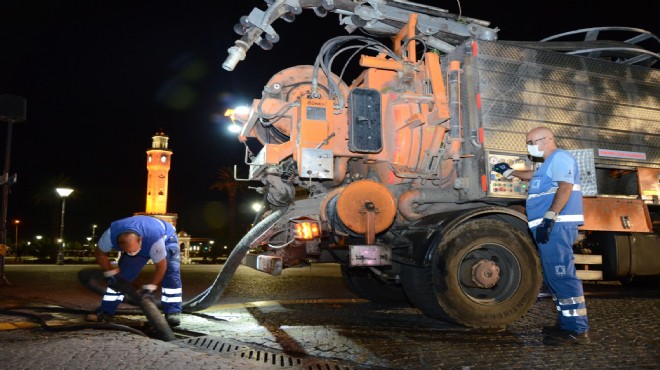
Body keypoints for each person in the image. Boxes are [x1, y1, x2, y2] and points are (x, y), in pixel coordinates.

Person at [492, 126, 590, 345]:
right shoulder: (548, 164)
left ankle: (577, 330)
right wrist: (511, 172)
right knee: (554, 278)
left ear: (546, 140)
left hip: (556, 225)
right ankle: (566, 324)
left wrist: (550, 217)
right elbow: (534, 175)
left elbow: (565, 186)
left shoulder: (560, 157)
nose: (529, 147)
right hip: (547, 226)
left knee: (562, 275)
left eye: (531, 143)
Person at [93, 215, 182, 326]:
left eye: (134, 251)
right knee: (121, 278)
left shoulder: (154, 240)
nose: (132, 254)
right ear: (119, 244)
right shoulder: (110, 235)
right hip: (142, 239)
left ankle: (172, 311)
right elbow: (99, 253)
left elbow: (161, 267)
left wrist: (150, 287)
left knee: (171, 272)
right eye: (128, 252)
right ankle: (106, 310)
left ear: (140, 240)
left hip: (166, 239)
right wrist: (110, 273)